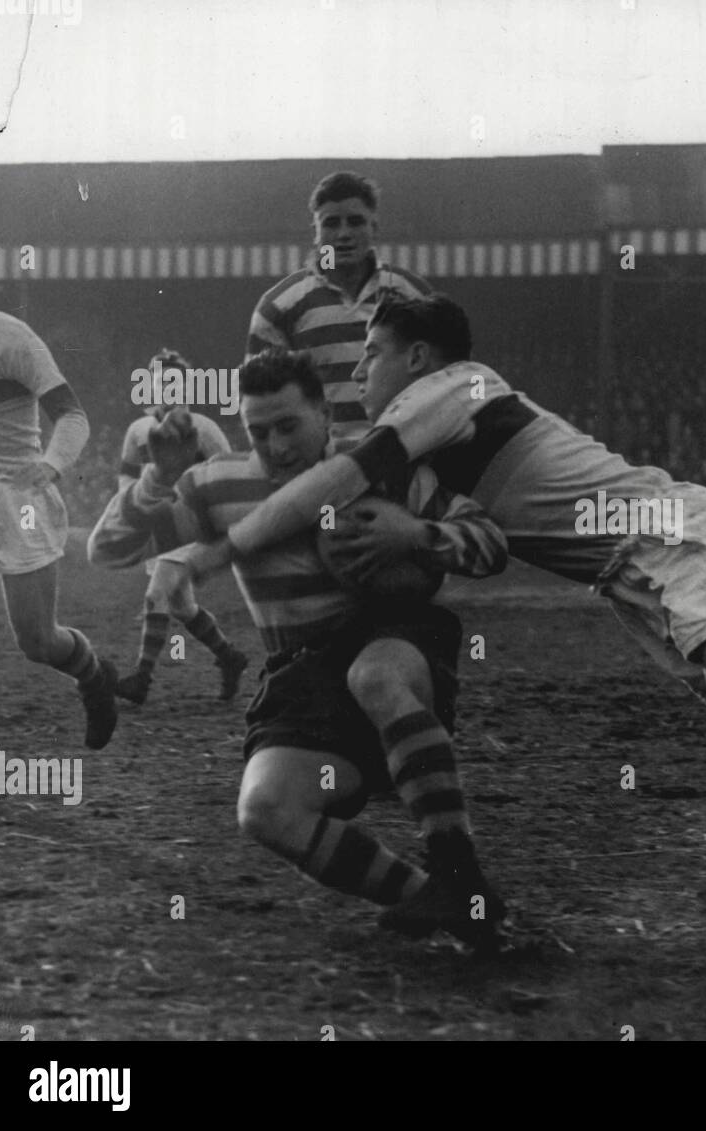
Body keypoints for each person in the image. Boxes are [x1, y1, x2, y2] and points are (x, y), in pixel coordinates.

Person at [186, 293, 706, 968]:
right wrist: (416, 536)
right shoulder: (434, 448)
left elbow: (340, 476)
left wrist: (230, 543)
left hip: (672, 542)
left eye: (373, 351)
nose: (360, 368)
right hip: (649, 569)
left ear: (418, 357)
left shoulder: (454, 386)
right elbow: (472, 540)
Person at [88, 350, 508, 948]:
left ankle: (458, 870)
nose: (276, 445)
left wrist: (418, 533)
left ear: (324, 412)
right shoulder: (218, 485)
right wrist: (157, 478)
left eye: (289, 426)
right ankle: (440, 902)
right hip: (303, 674)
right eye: (258, 432)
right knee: (265, 811)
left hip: (394, 640)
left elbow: (490, 540)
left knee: (375, 677)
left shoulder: (377, 467)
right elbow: (107, 551)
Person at [0, 249, 117, 748]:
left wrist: (51, 465)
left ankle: (93, 675)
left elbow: (72, 415)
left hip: (17, 497)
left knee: (37, 642)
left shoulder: (12, 340)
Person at [247, 170, 430, 442]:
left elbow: (448, 378)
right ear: (315, 233)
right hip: (322, 466)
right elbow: (258, 398)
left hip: (401, 457)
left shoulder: (413, 296)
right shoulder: (280, 306)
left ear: (374, 228)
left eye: (355, 222)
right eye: (332, 223)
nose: (344, 234)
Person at [113, 348, 249, 706]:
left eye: (171, 381)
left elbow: (228, 469)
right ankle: (230, 657)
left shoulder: (203, 428)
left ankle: (141, 679)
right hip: (157, 527)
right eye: (157, 380)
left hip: (191, 526)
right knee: (181, 606)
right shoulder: (138, 430)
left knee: (154, 597)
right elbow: (126, 477)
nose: (163, 387)